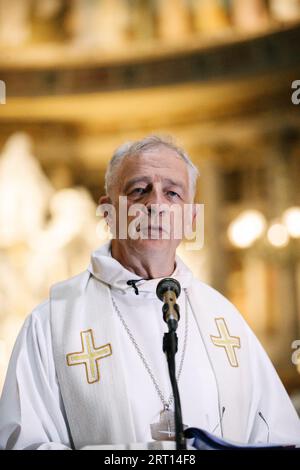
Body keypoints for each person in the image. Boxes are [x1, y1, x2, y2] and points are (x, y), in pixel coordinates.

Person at [0, 135, 299, 450]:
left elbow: (280, 439)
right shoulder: (51, 323)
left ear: (190, 220)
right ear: (107, 214)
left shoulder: (224, 318)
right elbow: (21, 445)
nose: (156, 204)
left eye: (172, 193)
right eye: (139, 190)